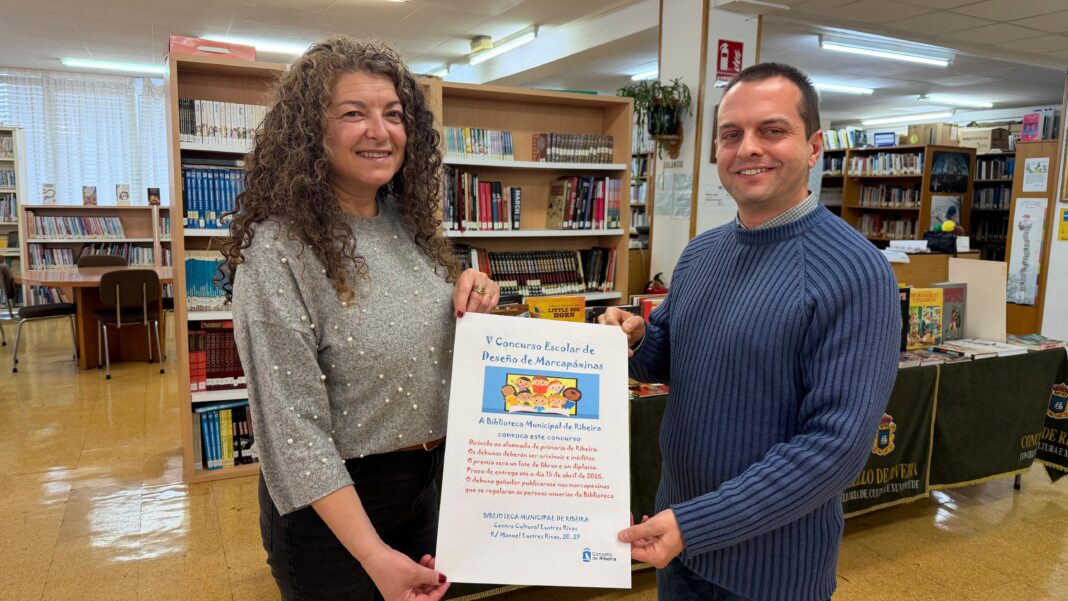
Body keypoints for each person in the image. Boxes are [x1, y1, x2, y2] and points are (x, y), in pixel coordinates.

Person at [601, 63, 899, 601]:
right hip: (679, 545)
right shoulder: (700, 253)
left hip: (772, 572)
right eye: (731, 134)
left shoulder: (857, 272)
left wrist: (696, 524)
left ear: (813, 147)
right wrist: (638, 339)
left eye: (773, 130)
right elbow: (672, 359)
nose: (748, 148)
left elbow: (835, 446)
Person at [222, 36, 500, 601]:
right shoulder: (277, 250)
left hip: (426, 489)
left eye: (393, 115)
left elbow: (421, 345)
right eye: (354, 114)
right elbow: (293, 429)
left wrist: (474, 297)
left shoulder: (409, 226)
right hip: (331, 515)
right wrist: (373, 554)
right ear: (310, 132)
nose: (380, 131)